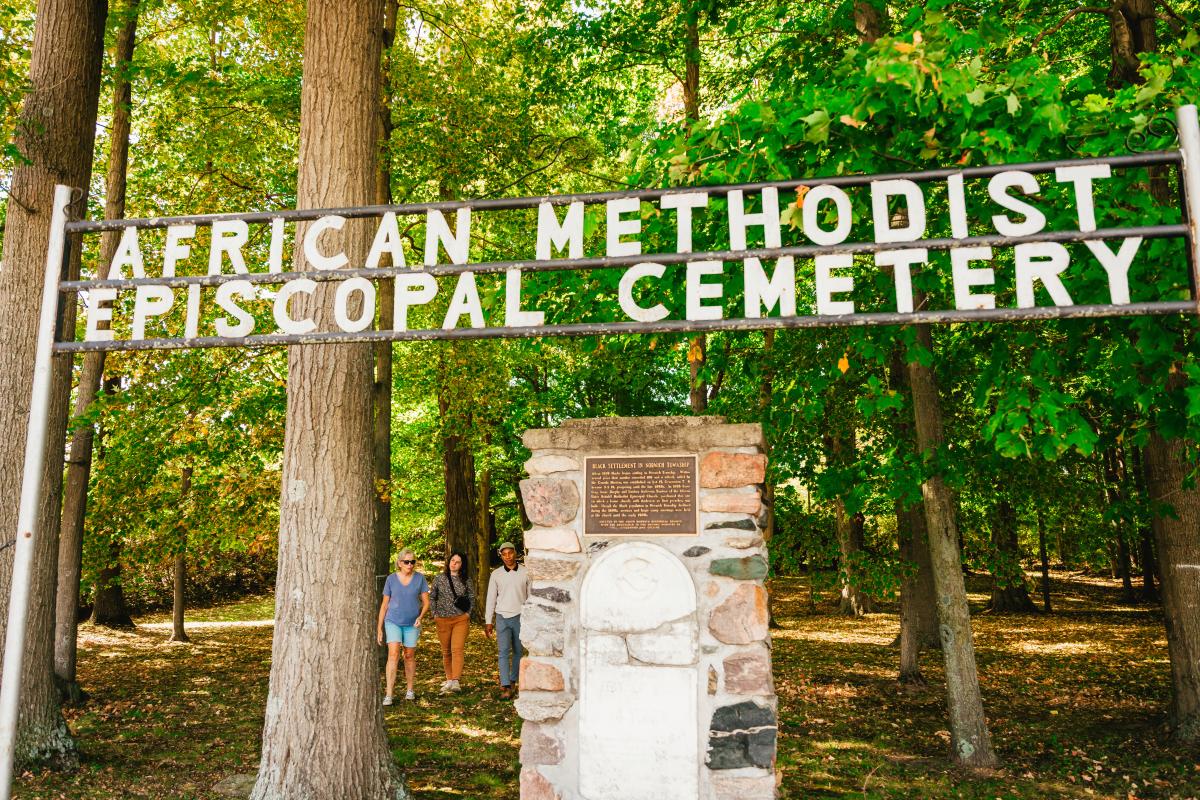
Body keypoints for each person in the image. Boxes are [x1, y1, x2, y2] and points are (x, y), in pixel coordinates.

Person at [376, 548, 429, 704]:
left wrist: (420, 617)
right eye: (406, 562)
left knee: (409, 655)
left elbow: (426, 603)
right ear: (399, 563)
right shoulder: (391, 579)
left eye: (412, 562)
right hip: (392, 621)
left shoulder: (420, 579)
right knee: (393, 654)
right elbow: (384, 605)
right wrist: (379, 627)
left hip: (412, 623)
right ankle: (389, 694)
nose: (410, 565)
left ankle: (410, 689)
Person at [483, 541, 529, 699]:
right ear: (501, 555)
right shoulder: (496, 574)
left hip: (520, 616)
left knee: (518, 652)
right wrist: (488, 620)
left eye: (510, 553)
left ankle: (514, 681)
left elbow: (530, 597)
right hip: (502, 617)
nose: (508, 556)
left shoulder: (525, 572)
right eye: (504, 554)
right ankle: (505, 686)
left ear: (515, 553)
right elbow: (491, 598)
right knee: (503, 652)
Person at [429, 550, 475, 694]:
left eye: (457, 562)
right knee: (446, 651)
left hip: (460, 620)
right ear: (448, 562)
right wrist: (434, 614)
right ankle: (449, 680)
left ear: (462, 565)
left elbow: (472, 598)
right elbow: (432, 597)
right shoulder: (439, 579)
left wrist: (468, 614)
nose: (454, 564)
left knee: (457, 649)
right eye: (452, 561)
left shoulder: (466, 580)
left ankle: (456, 681)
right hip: (442, 619)